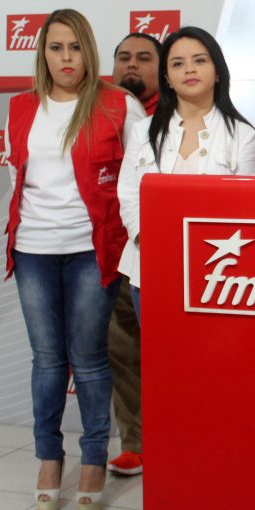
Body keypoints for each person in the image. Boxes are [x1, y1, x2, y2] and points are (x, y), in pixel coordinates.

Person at [5, 8, 146, 510]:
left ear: (89, 51)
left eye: (75, 47)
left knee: (88, 360)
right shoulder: (20, 107)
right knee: (46, 361)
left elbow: (138, 179)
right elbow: (17, 178)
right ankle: (48, 459)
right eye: (55, 47)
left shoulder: (119, 105)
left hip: (92, 249)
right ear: (42, 53)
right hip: (33, 250)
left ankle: (92, 461)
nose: (66, 58)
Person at [118, 26, 255, 318]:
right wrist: (148, 240)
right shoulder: (143, 131)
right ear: (167, 78)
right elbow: (128, 194)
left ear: (217, 71)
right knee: (159, 349)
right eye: (177, 64)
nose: (189, 69)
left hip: (219, 273)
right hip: (150, 269)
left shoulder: (242, 135)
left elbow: (247, 208)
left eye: (199, 60)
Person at [105, 32, 161, 477]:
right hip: (115, 251)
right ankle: (136, 443)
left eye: (144, 58)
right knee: (121, 349)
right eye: (124, 57)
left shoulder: (179, 116)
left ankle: (184, 436)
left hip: (166, 254)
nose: (132, 65)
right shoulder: (98, 111)